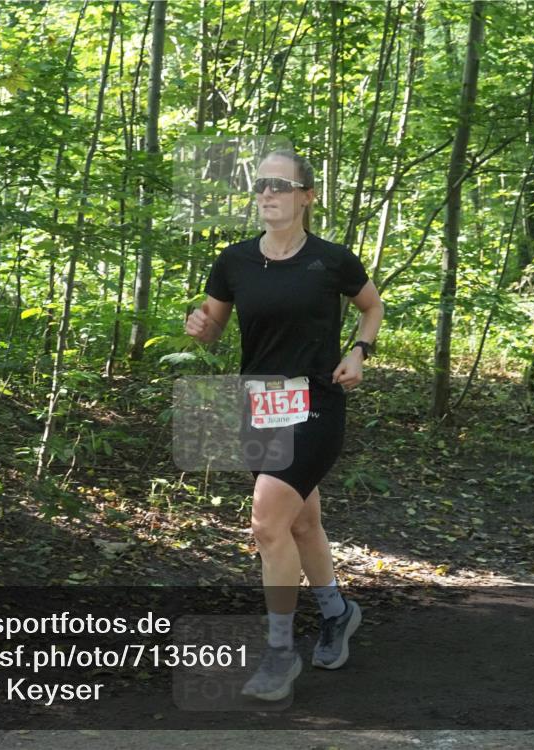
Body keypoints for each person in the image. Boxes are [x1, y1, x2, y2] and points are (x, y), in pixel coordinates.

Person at [185, 149, 384, 700]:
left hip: (317, 401)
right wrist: (196, 324)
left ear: (306, 196)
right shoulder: (234, 261)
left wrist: (359, 352)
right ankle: (337, 612)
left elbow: (372, 307)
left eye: (280, 184)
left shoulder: (332, 260)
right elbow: (210, 329)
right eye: (260, 185)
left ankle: (279, 653)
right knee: (301, 524)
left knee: (267, 524)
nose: (267, 192)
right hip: (262, 405)